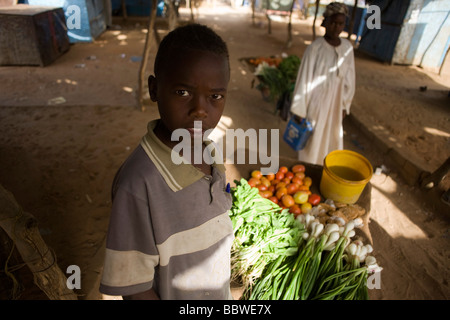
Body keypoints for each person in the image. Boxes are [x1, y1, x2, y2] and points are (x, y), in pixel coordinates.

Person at [99, 24, 234, 300]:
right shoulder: (138, 185)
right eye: (182, 92)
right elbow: (135, 288)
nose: (199, 109)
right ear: (154, 89)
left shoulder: (209, 152)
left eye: (215, 96)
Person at [289, 2, 355, 165]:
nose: (336, 27)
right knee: (313, 139)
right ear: (325, 22)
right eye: (333, 22)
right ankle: (309, 168)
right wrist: (300, 109)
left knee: (333, 137)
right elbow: (304, 79)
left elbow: (350, 79)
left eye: (340, 23)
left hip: (336, 102)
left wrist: (345, 105)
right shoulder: (315, 48)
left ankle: (327, 168)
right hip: (316, 103)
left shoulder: (347, 48)